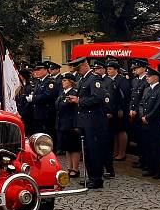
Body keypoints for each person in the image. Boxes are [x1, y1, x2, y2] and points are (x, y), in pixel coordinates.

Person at [66, 57, 107, 189]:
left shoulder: (94, 79)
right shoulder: (84, 79)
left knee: (94, 150)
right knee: (87, 150)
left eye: (78, 69)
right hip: (85, 120)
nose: (77, 72)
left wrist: (79, 101)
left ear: (84, 65)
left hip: (94, 120)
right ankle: (91, 177)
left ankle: (96, 178)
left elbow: (98, 98)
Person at [139, 67, 160, 179]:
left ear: (155, 77)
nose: (147, 78)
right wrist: (142, 116)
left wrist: (148, 117)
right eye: (146, 76)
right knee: (148, 146)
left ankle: (159, 171)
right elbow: (141, 104)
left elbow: (158, 106)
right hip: (145, 122)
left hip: (155, 123)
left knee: (156, 148)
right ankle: (151, 168)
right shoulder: (147, 89)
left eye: (149, 76)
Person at [55, 72, 81, 177]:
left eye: (65, 80)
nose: (62, 82)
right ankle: (69, 168)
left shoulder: (74, 93)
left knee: (74, 147)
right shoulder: (63, 92)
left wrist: (76, 125)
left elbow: (76, 111)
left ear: (71, 82)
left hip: (71, 123)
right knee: (67, 147)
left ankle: (75, 168)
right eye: (62, 80)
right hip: (62, 123)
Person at [106, 60, 131, 162]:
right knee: (114, 132)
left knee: (121, 131)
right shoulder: (108, 80)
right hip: (112, 110)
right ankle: (115, 152)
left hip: (120, 111)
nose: (108, 71)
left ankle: (122, 153)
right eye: (107, 69)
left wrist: (121, 109)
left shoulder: (122, 80)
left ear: (116, 70)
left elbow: (124, 96)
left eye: (110, 69)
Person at [27, 62, 60, 137]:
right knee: (38, 135)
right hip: (38, 113)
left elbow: (48, 95)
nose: (36, 72)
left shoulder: (50, 81)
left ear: (45, 70)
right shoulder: (39, 81)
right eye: (35, 70)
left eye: (39, 70)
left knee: (47, 134)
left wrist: (34, 98)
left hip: (46, 113)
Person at [128, 59, 149, 169]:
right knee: (138, 139)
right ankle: (141, 158)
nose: (134, 70)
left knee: (144, 139)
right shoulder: (135, 81)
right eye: (134, 69)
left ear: (144, 68)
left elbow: (143, 98)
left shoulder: (146, 80)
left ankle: (146, 160)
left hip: (142, 113)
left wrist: (136, 109)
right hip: (135, 114)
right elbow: (133, 96)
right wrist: (131, 108)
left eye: (137, 68)